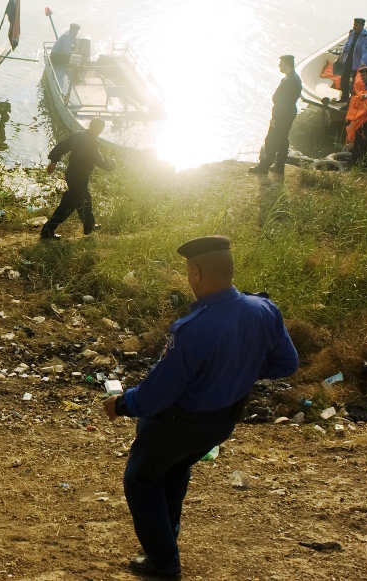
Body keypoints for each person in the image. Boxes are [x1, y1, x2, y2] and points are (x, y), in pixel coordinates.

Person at [102, 236, 299, 579]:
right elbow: (286, 363)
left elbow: (158, 392)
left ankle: (163, 563)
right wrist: (241, 369)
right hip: (221, 421)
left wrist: (122, 404)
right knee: (174, 470)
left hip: (180, 421)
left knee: (141, 479)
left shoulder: (193, 328)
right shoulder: (264, 310)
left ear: (195, 272)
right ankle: (167, 542)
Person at [40, 117, 115, 240]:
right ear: (99, 129)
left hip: (71, 173)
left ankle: (89, 226)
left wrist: (53, 161)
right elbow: (102, 163)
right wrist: (112, 163)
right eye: (101, 129)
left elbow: (62, 146)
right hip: (80, 176)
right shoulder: (92, 143)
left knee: (85, 198)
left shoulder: (78, 134)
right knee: (68, 204)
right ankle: (47, 230)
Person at [248, 54, 302, 175]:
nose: (279, 66)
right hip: (290, 113)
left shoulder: (289, 80)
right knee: (283, 140)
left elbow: (282, 102)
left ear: (287, 65)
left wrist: (274, 118)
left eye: (281, 64)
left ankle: (264, 167)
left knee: (271, 140)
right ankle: (279, 166)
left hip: (282, 115)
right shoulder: (295, 78)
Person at [335, 18, 367, 103]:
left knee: (355, 84)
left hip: (359, 62)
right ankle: (344, 97)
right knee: (344, 79)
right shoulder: (352, 33)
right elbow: (348, 44)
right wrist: (343, 53)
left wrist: (364, 63)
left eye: (357, 25)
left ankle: (351, 102)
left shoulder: (365, 37)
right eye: (354, 25)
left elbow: (366, 51)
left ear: (362, 26)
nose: (354, 27)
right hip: (349, 59)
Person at [346, 67, 367, 165]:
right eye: (361, 75)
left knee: (365, 137)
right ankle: (358, 160)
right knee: (362, 137)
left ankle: (358, 161)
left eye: (364, 75)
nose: (362, 77)